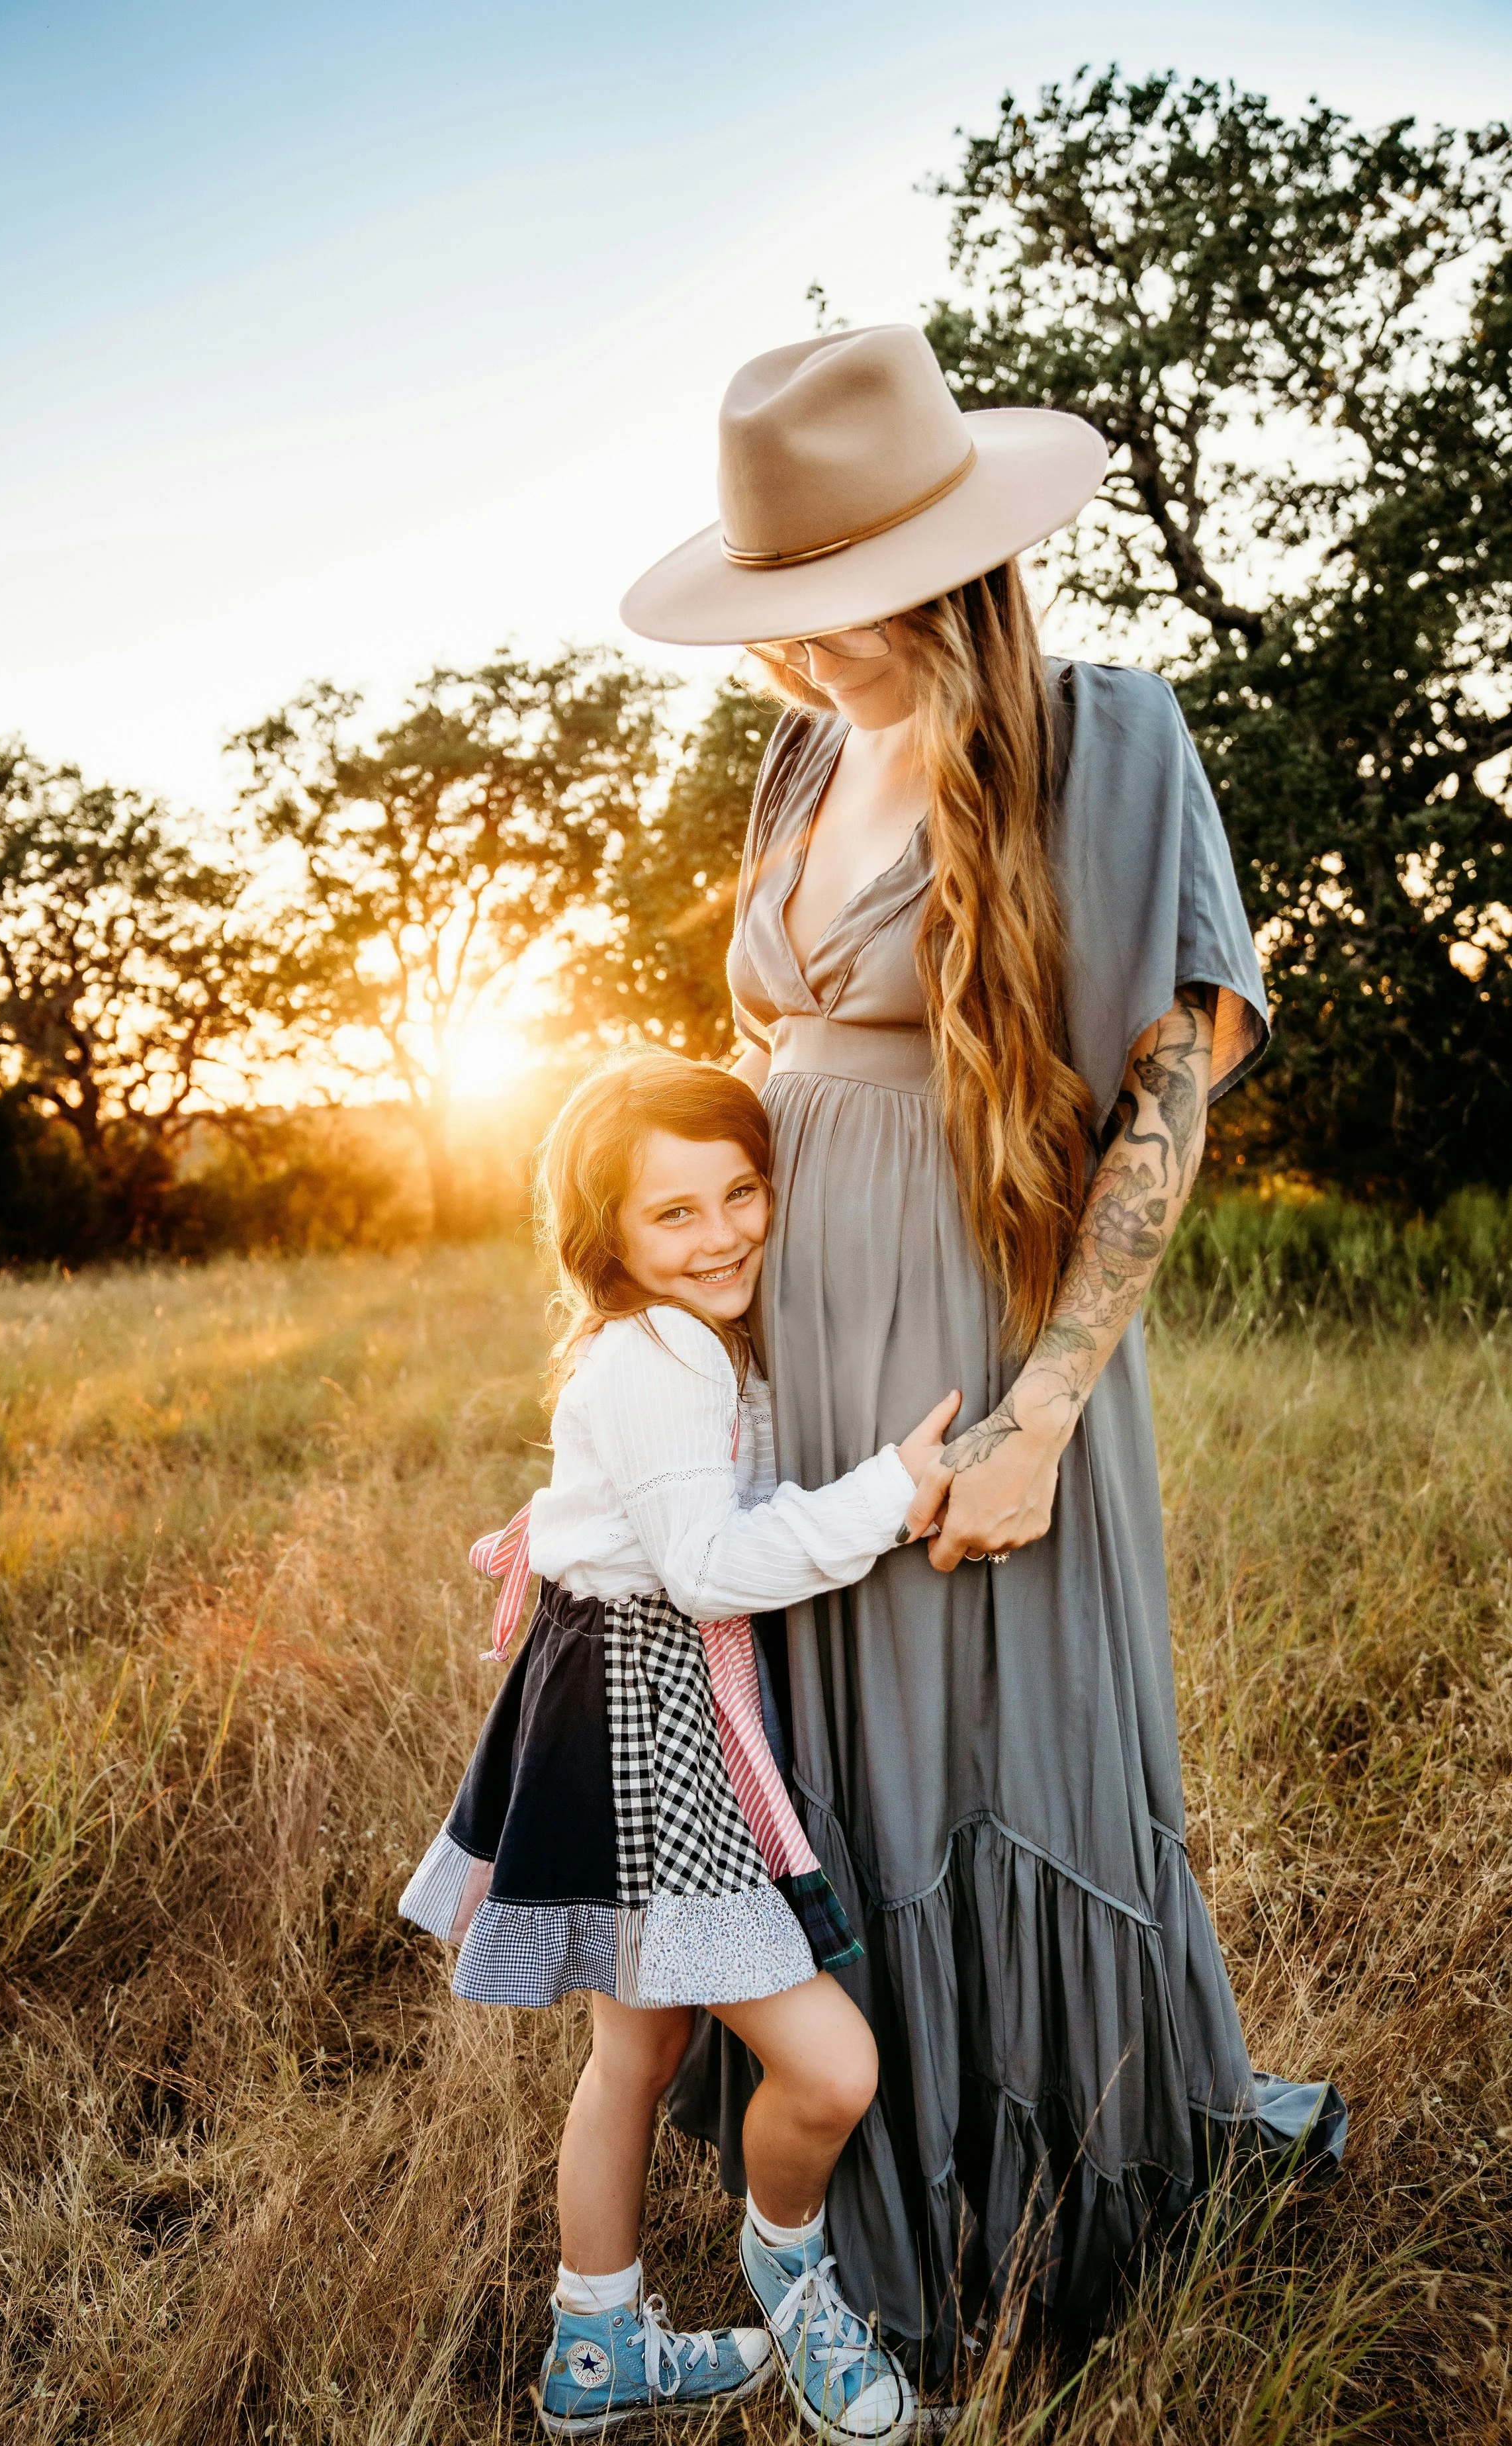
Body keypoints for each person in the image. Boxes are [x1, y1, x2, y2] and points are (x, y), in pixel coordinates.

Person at [621, 324, 1345, 2371]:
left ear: (953, 553)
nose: (811, 651)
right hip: (793, 1350)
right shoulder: (791, 757)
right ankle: (847, 2171)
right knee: (833, 1757)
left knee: (994, 1750)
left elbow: (1163, 1096)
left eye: (846, 602)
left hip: (982, 1343)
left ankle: (1045, 2218)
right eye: (786, 607)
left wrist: (1039, 1415)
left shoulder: (1103, 736)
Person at [401, 1050, 962, 2440]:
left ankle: (592, 2354)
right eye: (672, 1215)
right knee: (830, 2069)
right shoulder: (656, 1359)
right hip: (644, 1728)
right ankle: (790, 2268)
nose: (718, 1235)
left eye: (738, 1194)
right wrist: (892, 1492)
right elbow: (708, 1568)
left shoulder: (689, 1339)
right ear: (609, 1239)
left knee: (634, 2061)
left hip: (612, 1700)